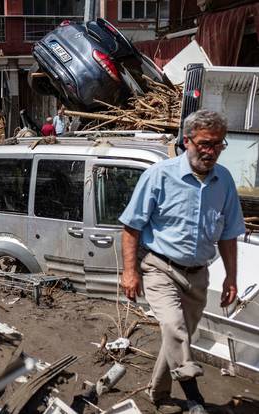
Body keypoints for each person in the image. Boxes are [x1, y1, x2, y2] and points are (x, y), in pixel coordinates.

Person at [119, 110, 245, 414]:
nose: (210, 151)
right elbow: (131, 227)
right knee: (174, 327)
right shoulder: (159, 176)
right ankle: (194, 396)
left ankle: (159, 394)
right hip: (159, 266)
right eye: (204, 143)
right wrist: (129, 271)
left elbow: (228, 235)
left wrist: (231, 278)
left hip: (198, 275)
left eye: (217, 145)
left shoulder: (223, 181)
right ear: (186, 141)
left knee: (177, 338)